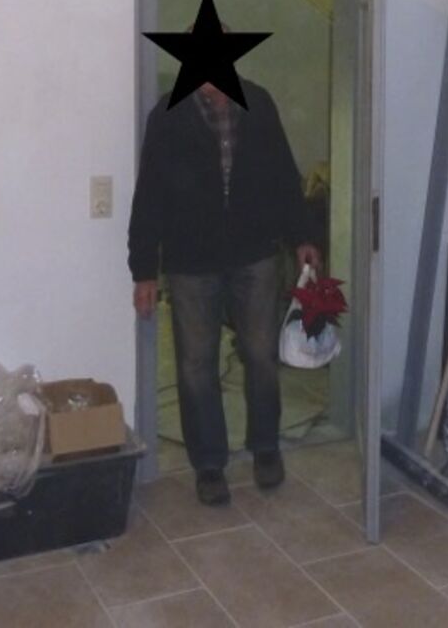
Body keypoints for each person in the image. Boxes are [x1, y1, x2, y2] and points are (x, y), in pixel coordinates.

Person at [128, 75, 321, 506]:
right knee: (197, 365)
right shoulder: (167, 115)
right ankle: (209, 465)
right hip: (190, 262)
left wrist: (303, 236)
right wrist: (144, 271)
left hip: (255, 254)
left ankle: (266, 448)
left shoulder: (258, 102)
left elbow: (283, 174)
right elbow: (149, 195)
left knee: (262, 355)